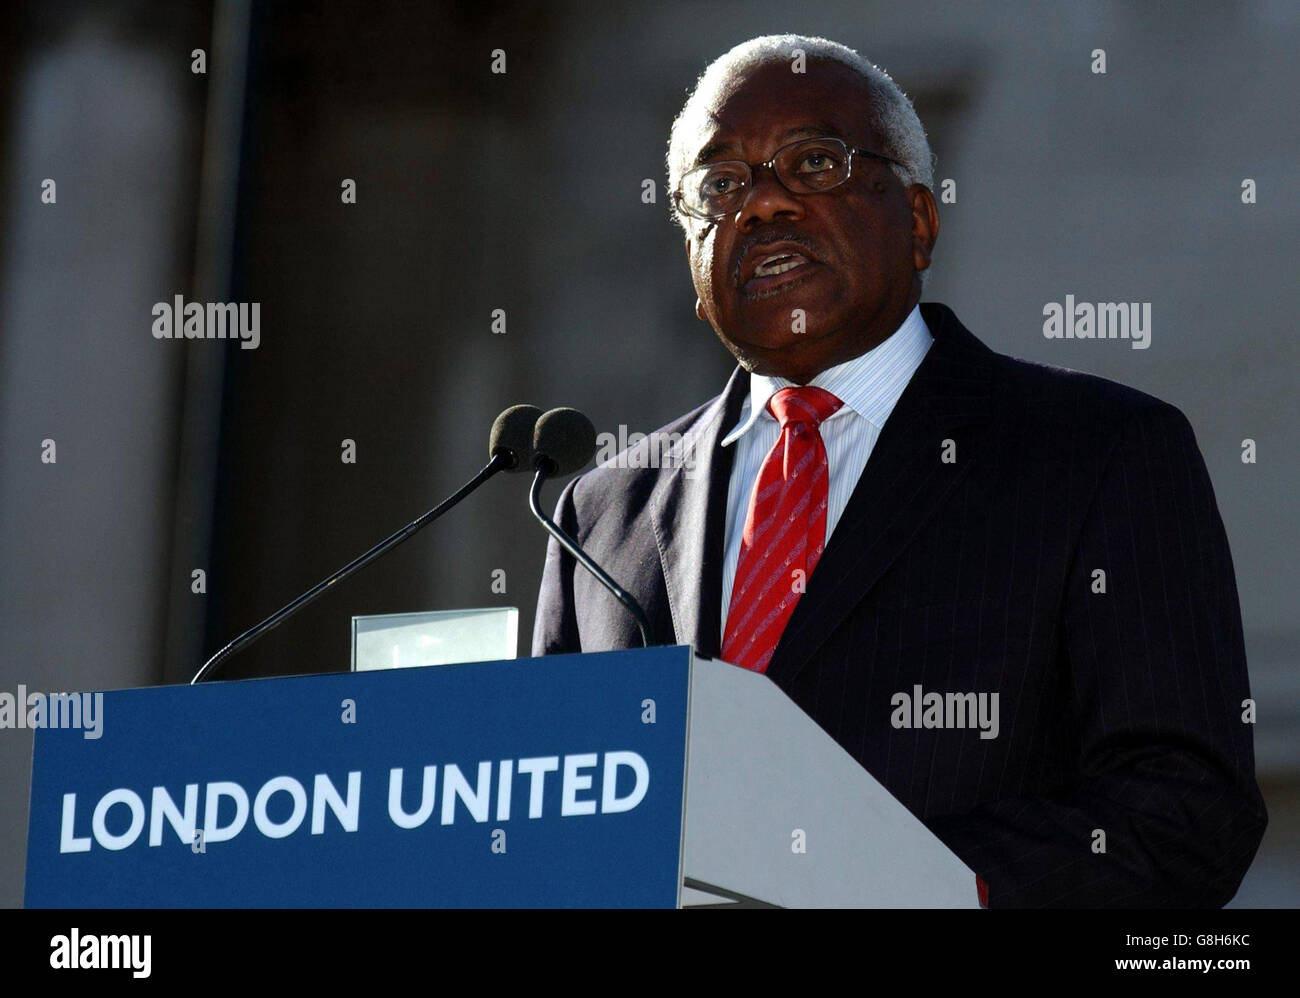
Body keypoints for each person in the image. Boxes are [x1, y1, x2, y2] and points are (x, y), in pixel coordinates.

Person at [532, 34, 1267, 908]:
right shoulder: (600, 513)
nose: (761, 205)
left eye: (811, 163)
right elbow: (553, 812)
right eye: (720, 185)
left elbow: (1183, 810)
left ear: (918, 221)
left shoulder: (1100, 453)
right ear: (693, 267)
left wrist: (884, 879)